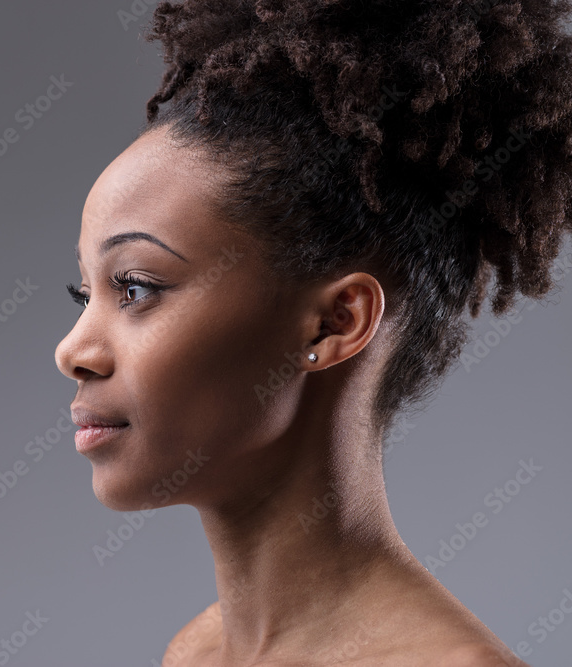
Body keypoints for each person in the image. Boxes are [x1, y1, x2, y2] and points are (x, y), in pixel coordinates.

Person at [54, 0, 572, 664]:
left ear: (338, 322)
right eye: (83, 291)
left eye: (135, 288)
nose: (73, 349)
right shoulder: (197, 652)